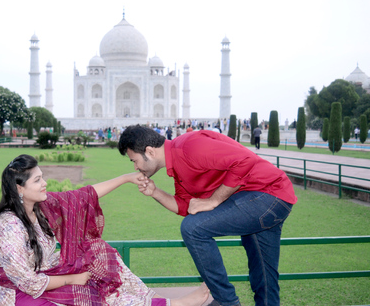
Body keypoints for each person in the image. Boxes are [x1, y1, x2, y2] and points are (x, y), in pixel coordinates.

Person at [0, 154, 209, 306]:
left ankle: (157, 301)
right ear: (19, 188)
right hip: (15, 294)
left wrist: (126, 178)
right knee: (91, 295)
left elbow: (82, 196)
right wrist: (73, 279)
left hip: (46, 275)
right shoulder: (8, 228)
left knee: (100, 254)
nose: (45, 183)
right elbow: (28, 283)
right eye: (38, 180)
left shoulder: (40, 207)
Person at [118, 125, 297, 306]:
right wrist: (155, 192)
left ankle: (226, 301)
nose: (135, 167)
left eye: (134, 160)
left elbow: (244, 162)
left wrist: (214, 200)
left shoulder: (190, 146)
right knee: (264, 275)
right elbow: (186, 207)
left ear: (150, 151)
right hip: (269, 199)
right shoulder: (178, 166)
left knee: (193, 228)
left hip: (267, 195)